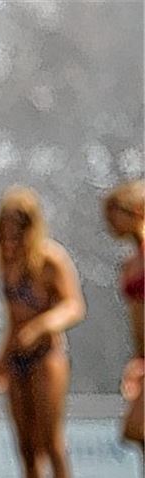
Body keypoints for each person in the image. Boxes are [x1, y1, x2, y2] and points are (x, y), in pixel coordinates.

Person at [0, 187, 85, 478]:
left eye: (18, 230)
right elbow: (12, 320)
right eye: (6, 231)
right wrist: (0, 359)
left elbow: (73, 306)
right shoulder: (5, 263)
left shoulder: (50, 259)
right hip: (16, 358)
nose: (11, 239)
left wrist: (41, 326)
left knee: (51, 439)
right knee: (26, 443)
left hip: (47, 356)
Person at [102, 181, 144, 453]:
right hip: (141, 356)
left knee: (137, 427)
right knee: (137, 432)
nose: (108, 221)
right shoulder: (131, 261)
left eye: (113, 212)